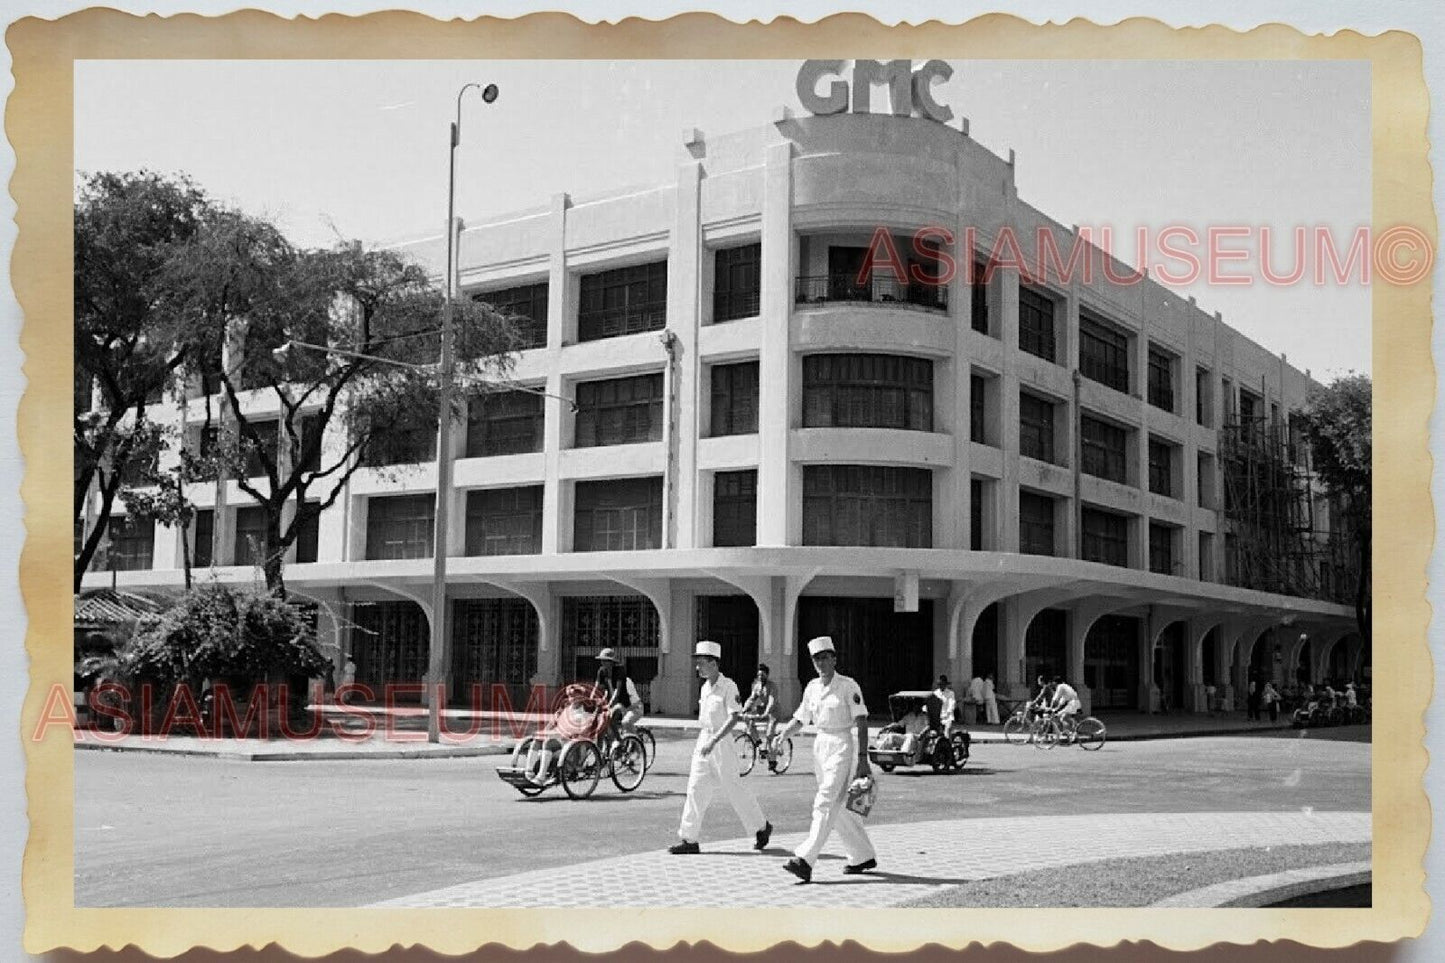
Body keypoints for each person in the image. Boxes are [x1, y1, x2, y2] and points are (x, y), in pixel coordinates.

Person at [770, 636, 875, 883]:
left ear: (835, 659)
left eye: (825, 657)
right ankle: (862, 855)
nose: (821, 663)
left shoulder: (849, 686)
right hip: (821, 746)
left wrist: (862, 759)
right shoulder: (812, 687)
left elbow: (861, 721)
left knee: (825, 801)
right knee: (837, 809)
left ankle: (805, 860)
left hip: (842, 745)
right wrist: (782, 735)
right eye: (817, 659)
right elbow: (801, 717)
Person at [669, 640, 772, 855]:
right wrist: (708, 740)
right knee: (695, 789)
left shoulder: (728, 686)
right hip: (704, 740)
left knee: (734, 788)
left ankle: (761, 827)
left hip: (721, 743)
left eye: (701, 663)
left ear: (714, 663)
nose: (697, 667)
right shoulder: (705, 687)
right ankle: (689, 838)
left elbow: (735, 717)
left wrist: (715, 740)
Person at [593, 648, 641, 746]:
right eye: (602, 660)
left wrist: (610, 704)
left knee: (613, 719)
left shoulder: (619, 670)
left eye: (605, 660)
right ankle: (602, 754)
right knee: (601, 725)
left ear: (611, 662)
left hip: (624, 703)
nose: (603, 663)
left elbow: (617, 691)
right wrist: (591, 698)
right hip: (611, 702)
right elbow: (597, 687)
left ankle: (624, 743)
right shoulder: (601, 671)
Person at [743, 663, 781, 767]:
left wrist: (766, 713)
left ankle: (773, 761)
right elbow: (751, 699)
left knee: (769, 735)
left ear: (767, 675)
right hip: (762, 710)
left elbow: (771, 702)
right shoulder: (757, 686)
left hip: (773, 712)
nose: (760, 677)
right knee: (747, 718)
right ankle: (758, 743)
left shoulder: (772, 686)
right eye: (759, 675)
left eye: (762, 675)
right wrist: (744, 709)